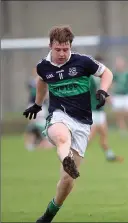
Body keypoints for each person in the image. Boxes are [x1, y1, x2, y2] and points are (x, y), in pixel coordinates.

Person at [22, 25, 113, 223]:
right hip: (58, 115)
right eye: (58, 49)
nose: (62, 53)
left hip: (82, 123)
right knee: (62, 138)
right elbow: (41, 81)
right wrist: (38, 105)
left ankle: (49, 213)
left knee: (67, 181)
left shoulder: (83, 62)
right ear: (50, 46)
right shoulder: (43, 66)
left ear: (70, 46)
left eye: (66, 49)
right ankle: (66, 159)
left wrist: (103, 91)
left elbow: (107, 73)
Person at [89, 55, 123, 162]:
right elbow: (99, 92)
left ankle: (110, 155)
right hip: (93, 111)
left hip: (100, 111)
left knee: (104, 134)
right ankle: (74, 156)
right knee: (90, 137)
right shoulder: (92, 78)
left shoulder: (98, 78)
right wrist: (109, 99)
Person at [24, 70, 53, 151]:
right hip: (32, 106)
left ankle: (43, 142)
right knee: (32, 125)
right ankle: (31, 143)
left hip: (42, 107)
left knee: (42, 124)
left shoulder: (45, 81)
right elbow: (34, 91)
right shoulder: (32, 82)